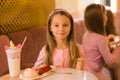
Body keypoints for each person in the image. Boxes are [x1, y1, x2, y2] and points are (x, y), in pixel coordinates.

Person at [82, 3, 120, 80]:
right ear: (99, 19)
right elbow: (110, 61)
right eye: (105, 14)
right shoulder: (101, 39)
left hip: (88, 70)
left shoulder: (86, 35)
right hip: (97, 74)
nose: (107, 17)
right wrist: (117, 48)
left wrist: (107, 39)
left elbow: (95, 46)